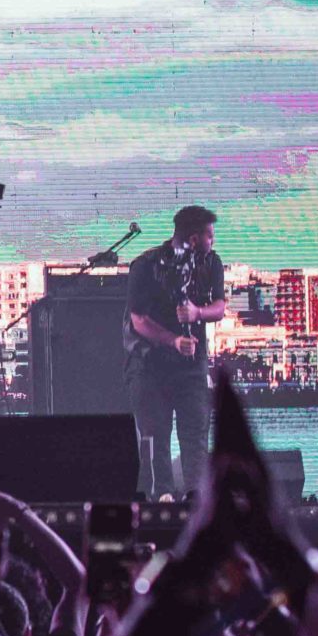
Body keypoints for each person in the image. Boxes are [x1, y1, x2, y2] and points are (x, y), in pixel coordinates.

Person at [124, 205, 227, 497]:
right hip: (149, 366)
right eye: (209, 236)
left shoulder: (212, 263)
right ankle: (162, 498)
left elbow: (220, 307)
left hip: (191, 368)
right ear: (193, 239)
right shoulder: (145, 266)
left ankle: (196, 498)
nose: (213, 242)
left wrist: (197, 313)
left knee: (195, 434)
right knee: (155, 437)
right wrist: (173, 341)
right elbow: (138, 320)